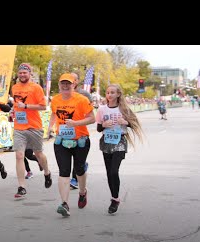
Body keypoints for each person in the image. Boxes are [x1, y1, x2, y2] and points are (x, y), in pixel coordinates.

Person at [48, 73, 95, 217]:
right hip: (62, 140)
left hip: (80, 140)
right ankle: (64, 203)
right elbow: (54, 114)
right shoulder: (55, 100)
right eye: (63, 83)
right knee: (64, 171)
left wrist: (76, 123)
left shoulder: (82, 100)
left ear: (74, 85)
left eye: (68, 83)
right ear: (59, 85)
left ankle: (82, 192)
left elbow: (92, 118)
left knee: (79, 169)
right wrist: (50, 127)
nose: (65, 86)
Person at [96, 84, 143, 214]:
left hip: (120, 142)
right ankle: (115, 198)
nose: (109, 95)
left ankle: (114, 199)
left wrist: (126, 123)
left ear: (118, 94)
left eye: (112, 92)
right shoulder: (102, 109)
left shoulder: (124, 109)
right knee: (108, 173)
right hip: (106, 142)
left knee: (113, 172)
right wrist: (104, 125)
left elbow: (134, 125)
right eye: (107, 92)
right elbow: (99, 128)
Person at [10, 63, 52, 199]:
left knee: (38, 154)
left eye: (25, 73)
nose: (22, 75)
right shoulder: (14, 87)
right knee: (19, 156)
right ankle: (22, 186)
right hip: (19, 127)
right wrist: (12, 112)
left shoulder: (36, 88)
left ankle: (47, 172)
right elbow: (17, 105)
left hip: (34, 126)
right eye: (20, 72)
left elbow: (43, 107)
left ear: (30, 74)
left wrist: (26, 106)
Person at [69, 72, 90, 190]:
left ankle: (74, 178)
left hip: (80, 130)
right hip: (67, 130)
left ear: (77, 81)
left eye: (74, 79)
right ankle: (80, 169)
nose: (71, 81)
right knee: (70, 156)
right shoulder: (63, 93)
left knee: (77, 159)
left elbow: (90, 111)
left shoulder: (84, 94)